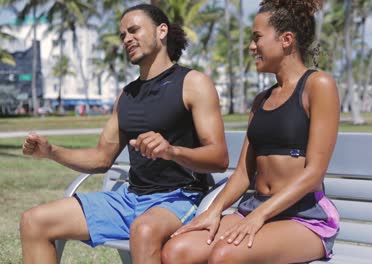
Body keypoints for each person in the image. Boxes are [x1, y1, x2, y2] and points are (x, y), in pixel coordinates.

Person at [20, 4, 228, 264]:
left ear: (161, 31)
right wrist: (51, 152)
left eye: (134, 30)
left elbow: (219, 158)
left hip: (181, 198)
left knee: (143, 230)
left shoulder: (193, 83)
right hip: (130, 199)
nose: (127, 39)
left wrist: (171, 151)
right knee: (34, 221)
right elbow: (101, 158)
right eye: (122, 35)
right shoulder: (127, 95)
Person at [162, 0, 340, 263]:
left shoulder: (318, 85)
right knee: (176, 250)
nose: (251, 46)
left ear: (286, 39)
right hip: (255, 207)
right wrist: (214, 210)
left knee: (225, 255)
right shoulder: (261, 100)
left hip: (305, 217)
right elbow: (244, 173)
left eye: (257, 38)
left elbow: (313, 175)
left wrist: (260, 216)